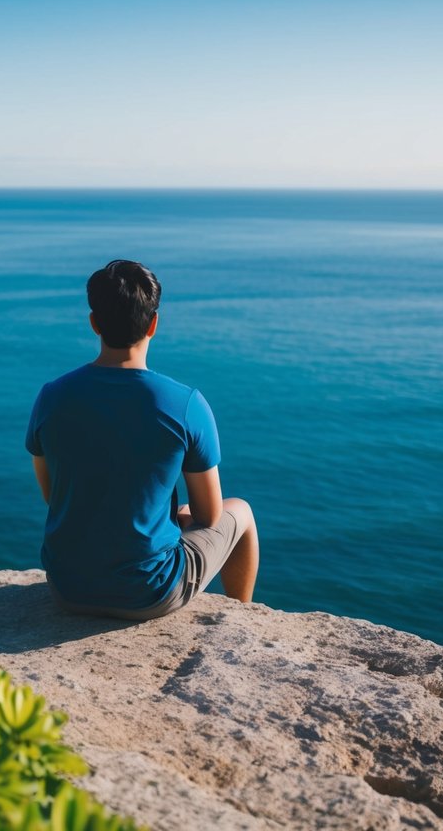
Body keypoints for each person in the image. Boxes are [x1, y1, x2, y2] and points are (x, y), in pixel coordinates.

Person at [25, 259, 259, 620]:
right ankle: (239, 618)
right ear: (154, 324)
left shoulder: (51, 396)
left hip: (66, 587)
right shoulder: (185, 404)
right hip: (148, 593)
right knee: (239, 510)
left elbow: (51, 494)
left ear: (94, 323)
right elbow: (209, 515)